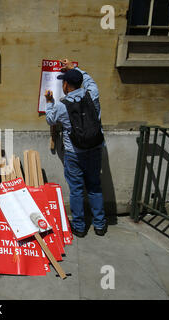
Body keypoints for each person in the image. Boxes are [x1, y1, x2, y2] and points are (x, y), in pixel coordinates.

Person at [44, 59, 107, 237]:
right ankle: (100, 225)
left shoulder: (61, 105)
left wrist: (49, 101)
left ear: (65, 85)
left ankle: (79, 228)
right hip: (95, 148)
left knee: (77, 190)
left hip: (74, 153)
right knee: (94, 186)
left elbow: (50, 119)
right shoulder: (92, 95)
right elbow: (91, 81)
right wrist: (75, 68)